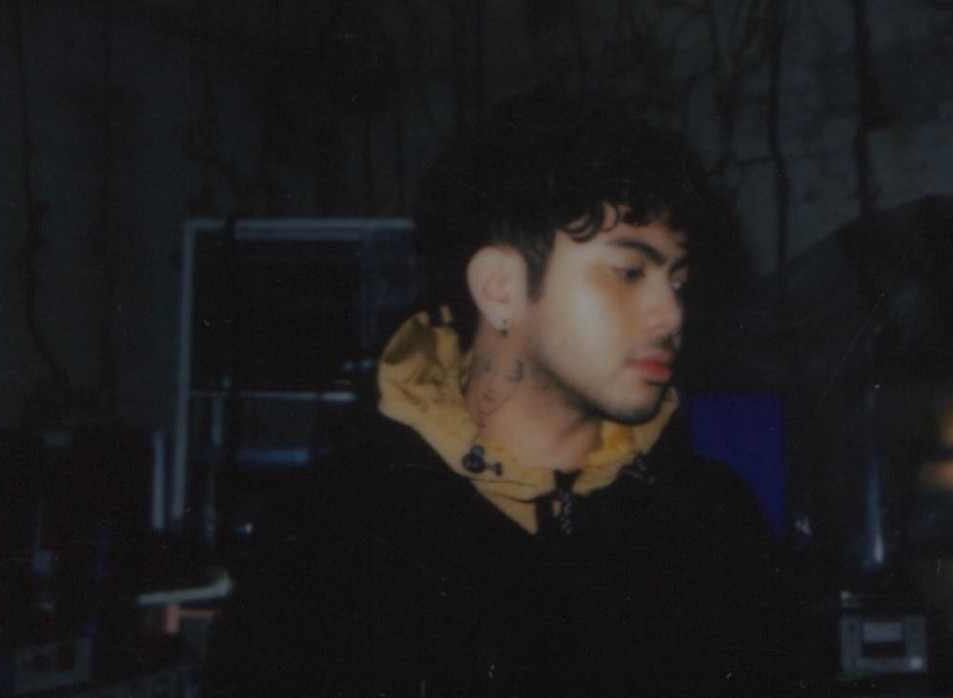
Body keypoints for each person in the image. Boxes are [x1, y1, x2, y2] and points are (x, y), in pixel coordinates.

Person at [206, 88, 790, 697]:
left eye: (678, 280)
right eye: (628, 272)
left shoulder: (716, 528)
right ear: (499, 288)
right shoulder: (330, 533)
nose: (670, 314)